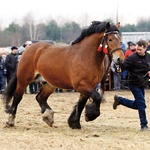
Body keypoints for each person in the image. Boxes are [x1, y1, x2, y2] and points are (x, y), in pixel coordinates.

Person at [113, 40, 150, 131]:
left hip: (143, 83)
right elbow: (122, 67)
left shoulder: (148, 57)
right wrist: (118, 66)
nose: (138, 51)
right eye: (137, 49)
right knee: (141, 104)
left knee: (138, 105)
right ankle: (144, 125)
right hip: (134, 83)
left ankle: (120, 100)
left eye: (140, 50)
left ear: (145, 49)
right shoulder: (132, 58)